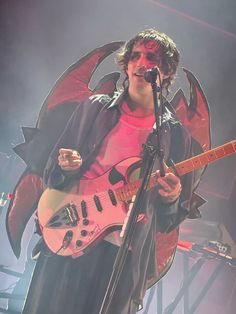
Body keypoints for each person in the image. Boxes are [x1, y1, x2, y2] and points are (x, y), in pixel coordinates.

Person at [22, 28, 201, 314]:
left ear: (166, 71)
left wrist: (172, 197)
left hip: (117, 253)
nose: (141, 63)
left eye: (151, 57)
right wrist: (64, 166)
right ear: (126, 64)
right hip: (70, 229)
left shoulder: (176, 137)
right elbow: (51, 172)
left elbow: (169, 220)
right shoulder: (95, 109)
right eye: (135, 56)